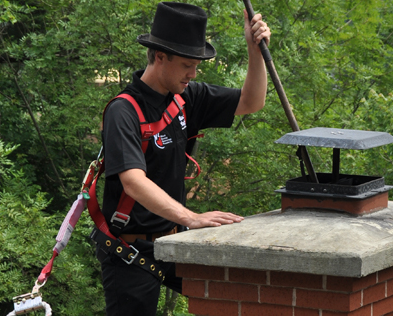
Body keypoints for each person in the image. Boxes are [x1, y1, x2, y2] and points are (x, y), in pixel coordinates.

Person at [95, 2, 271, 315]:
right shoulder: (123, 111)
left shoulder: (186, 97)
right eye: (187, 64)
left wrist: (254, 50)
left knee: (234, 297)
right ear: (160, 56)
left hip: (175, 243)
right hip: (130, 250)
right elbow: (134, 182)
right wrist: (190, 217)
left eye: (196, 66)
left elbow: (251, 101)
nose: (193, 73)